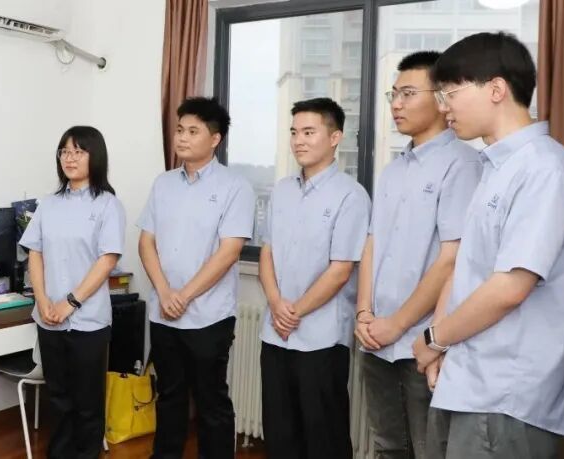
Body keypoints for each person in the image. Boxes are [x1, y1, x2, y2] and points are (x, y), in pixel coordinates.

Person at [412, 32, 564, 459]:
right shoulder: (496, 167)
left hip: (508, 394)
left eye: (451, 92)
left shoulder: (545, 169)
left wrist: (434, 338)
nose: (443, 106)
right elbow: (466, 268)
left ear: (496, 89)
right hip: (469, 380)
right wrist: (440, 345)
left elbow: (510, 287)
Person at [356, 51, 481, 459]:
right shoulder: (393, 170)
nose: (396, 103)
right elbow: (372, 243)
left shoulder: (463, 164)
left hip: (422, 341)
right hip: (376, 337)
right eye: (393, 94)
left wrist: (397, 325)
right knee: (388, 446)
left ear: (443, 99)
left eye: (408, 93)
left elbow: (452, 259)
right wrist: (365, 314)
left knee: (428, 450)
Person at [137, 97, 255, 459]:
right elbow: (146, 242)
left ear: (215, 139)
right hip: (164, 314)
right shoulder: (163, 184)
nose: (182, 138)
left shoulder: (235, 187)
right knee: (169, 396)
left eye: (192, 131)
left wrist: (183, 296)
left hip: (209, 316)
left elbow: (229, 252)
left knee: (210, 401)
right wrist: (164, 292)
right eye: (179, 130)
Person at [258, 97, 370, 459]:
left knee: (324, 437)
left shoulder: (351, 195)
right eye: (294, 133)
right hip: (275, 333)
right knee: (279, 433)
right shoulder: (281, 190)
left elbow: (340, 270)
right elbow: (267, 251)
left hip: (321, 337)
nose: (298, 141)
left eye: (309, 132)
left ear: (335, 137)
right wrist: (276, 304)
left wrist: (294, 312)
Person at [20, 125, 125, 459]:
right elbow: (34, 253)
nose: (70, 158)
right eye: (65, 151)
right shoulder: (49, 205)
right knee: (59, 400)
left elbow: (107, 260)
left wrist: (71, 302)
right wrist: (42, 300)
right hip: (49, 318)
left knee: (87, 404)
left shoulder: (108, 205)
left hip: (87, 321)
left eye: (78, 151)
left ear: (96, 156)